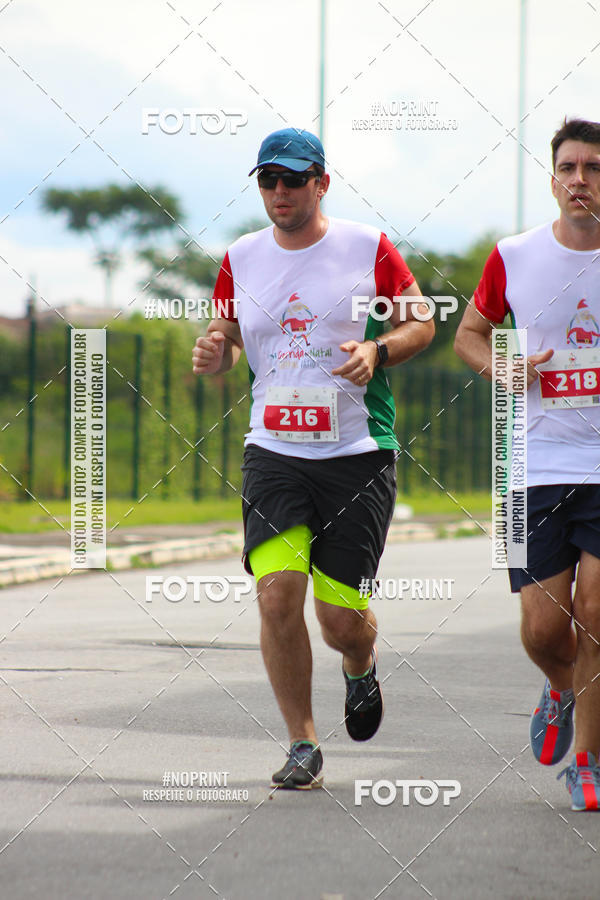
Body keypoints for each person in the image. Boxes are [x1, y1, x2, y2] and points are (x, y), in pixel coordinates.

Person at [192, 127, 434, 789]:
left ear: (322, 183)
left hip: (356, 453)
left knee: (339, 621)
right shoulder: (241, 256)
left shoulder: (366, 248)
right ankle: (302, 742)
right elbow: (229, 335)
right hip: (273, 451)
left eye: (292, 180)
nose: (279, 192)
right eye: (268, 180)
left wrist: (378, 351)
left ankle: (361, 666)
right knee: (276, 597)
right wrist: (216, 351)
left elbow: (422, 320)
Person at [454, 118, 600, 811]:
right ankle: (559, 688)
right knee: (545, 629)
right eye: (570, 168)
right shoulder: (512, 256)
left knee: (596, 614)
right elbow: (469, 336)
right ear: (553, 180)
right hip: (531, 466)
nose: (581, 180)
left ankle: (589, 760)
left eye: (594, 168)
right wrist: (505, 369)